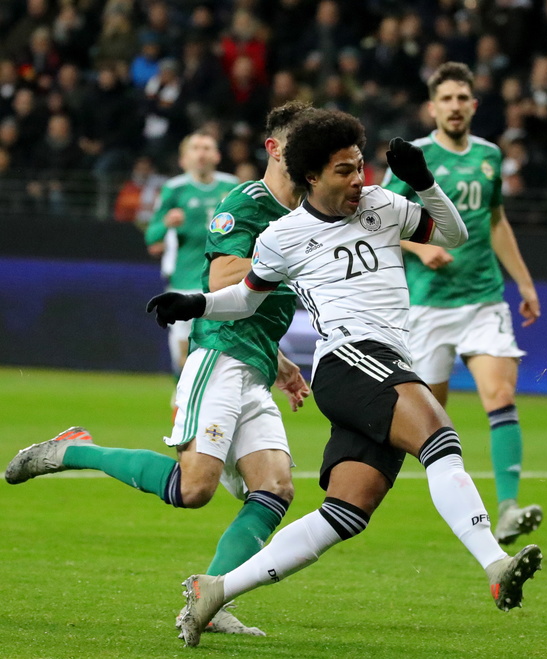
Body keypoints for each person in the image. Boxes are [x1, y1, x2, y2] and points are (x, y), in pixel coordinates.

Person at [147, 108, 543, 647]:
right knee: (441, 439)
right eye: (343, 170)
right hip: (350, 358)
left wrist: (424, 182)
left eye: (360, 166)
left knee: (344, 514)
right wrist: (195, 302)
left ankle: (214, 590)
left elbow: (454, 231)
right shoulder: (283, 236)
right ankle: (496, 566)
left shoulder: (383, 204)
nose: (358, 179)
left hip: (383, 360)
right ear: (312, 175)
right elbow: (243, 297)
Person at [5, 102, 316, 635]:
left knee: (276, 490)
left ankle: (209, 599)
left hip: (257, 362)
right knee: (192, 490)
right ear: (274, 148)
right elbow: (223, 280)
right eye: (301, 145)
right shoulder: (245, 203)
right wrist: (296, 260)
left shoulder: (303, 216)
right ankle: (73, 448)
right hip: (219, 357)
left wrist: (282, 360)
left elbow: (257, 299)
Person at [382, 62, 544, 545]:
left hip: (482, 299)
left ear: (473, 105)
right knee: (428, 423)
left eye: (462, 98)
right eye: (446, 99)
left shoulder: (490, 157)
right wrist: (420, 246)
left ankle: (509, 508)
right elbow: (382, 220)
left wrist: (526, 284)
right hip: (429, 308)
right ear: (432, 108)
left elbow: (496, 221)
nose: (455, 106)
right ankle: (365, 494)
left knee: (501, 395)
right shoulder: (415, 158)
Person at [145, 131, 238, 374]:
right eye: (195, 148)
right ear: (183, 159)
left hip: (222, 283)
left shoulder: (233, 186)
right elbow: (151, 237)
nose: (201, 153)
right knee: (183, 357)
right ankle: (182, 406)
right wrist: (167, 222)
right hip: (184, 281)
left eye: (207, 148)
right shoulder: (174, 189)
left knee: (222, 356)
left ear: (217, 155)